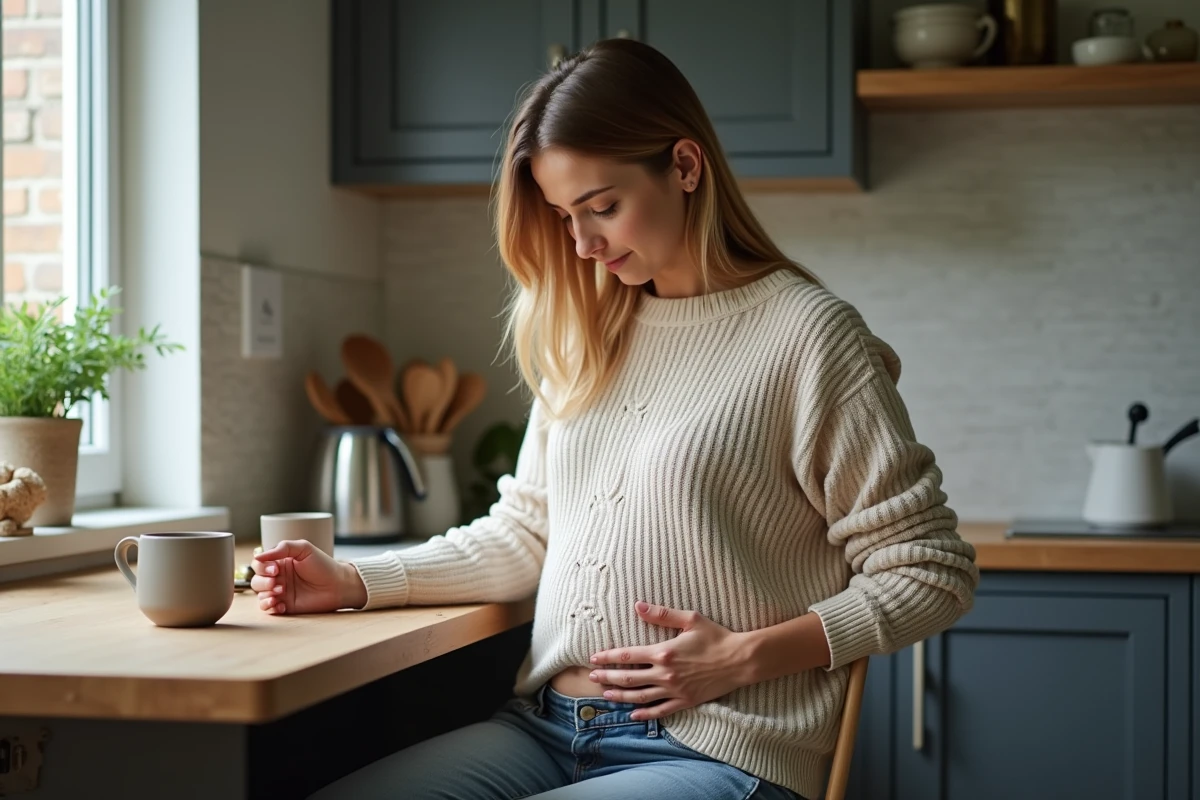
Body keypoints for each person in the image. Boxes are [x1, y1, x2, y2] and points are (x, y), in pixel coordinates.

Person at [251, 38, 979, 800]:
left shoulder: (809, 336)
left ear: (685, 166)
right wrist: (352, 581)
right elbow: (524, 535)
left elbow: (931, 570)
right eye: (565, 215)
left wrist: (741, 658)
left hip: (716, 751)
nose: (583, 243)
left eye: (602, 207)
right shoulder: (588, 333)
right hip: (544, 728)